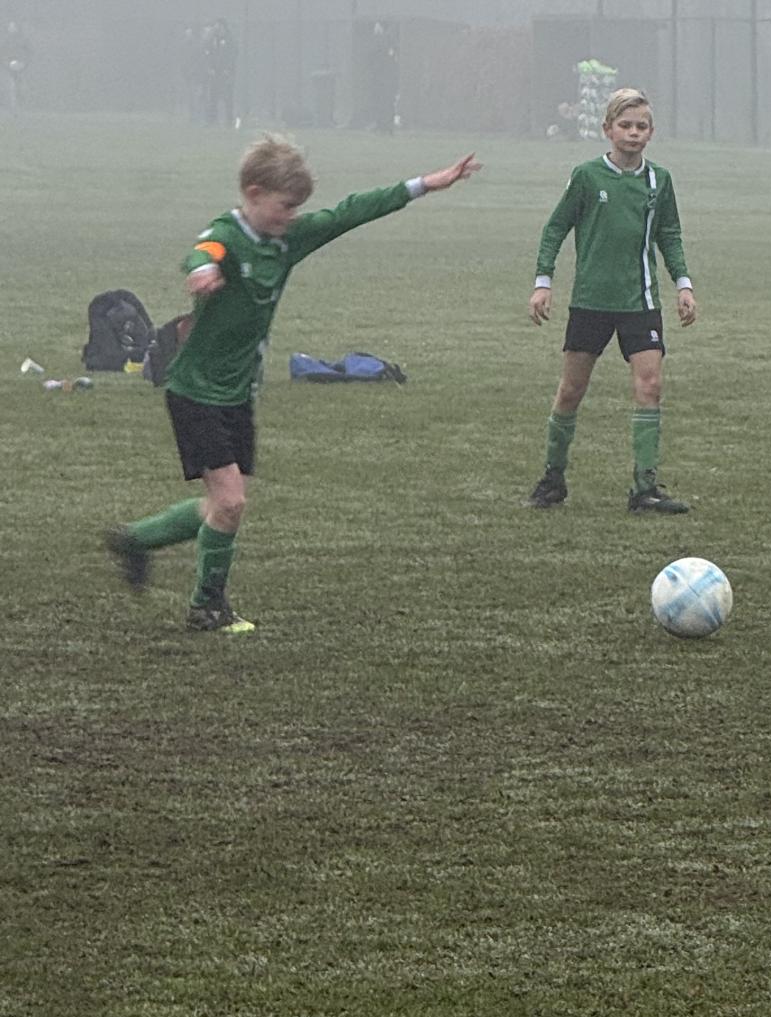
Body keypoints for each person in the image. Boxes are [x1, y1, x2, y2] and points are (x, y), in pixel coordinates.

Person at [105, 133, 480, 632]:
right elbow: (204, 249)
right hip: (195, 391)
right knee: (231, 503)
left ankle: (135, 541)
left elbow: (351, 211)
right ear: (254, 193)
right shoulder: (228, 233)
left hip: (237, 393)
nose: (292, 216)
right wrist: (203, 269)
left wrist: (427, 183)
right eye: (285, 206)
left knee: (222, 506)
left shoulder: (288, 238)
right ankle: (206, 607)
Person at [528, 86, 696, 514]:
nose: (633, 133)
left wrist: (683, 284)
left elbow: (669, 234)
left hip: (640, 301)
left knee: (650, 386)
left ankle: (645, 489)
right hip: (591, 302)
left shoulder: (659, 181)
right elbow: (556, 228)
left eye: (641, 126)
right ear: (607, 129)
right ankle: (552, 479)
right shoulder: (587, 177)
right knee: (571, 390)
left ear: (651, 132)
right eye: (625, 125)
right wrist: (543, 281)